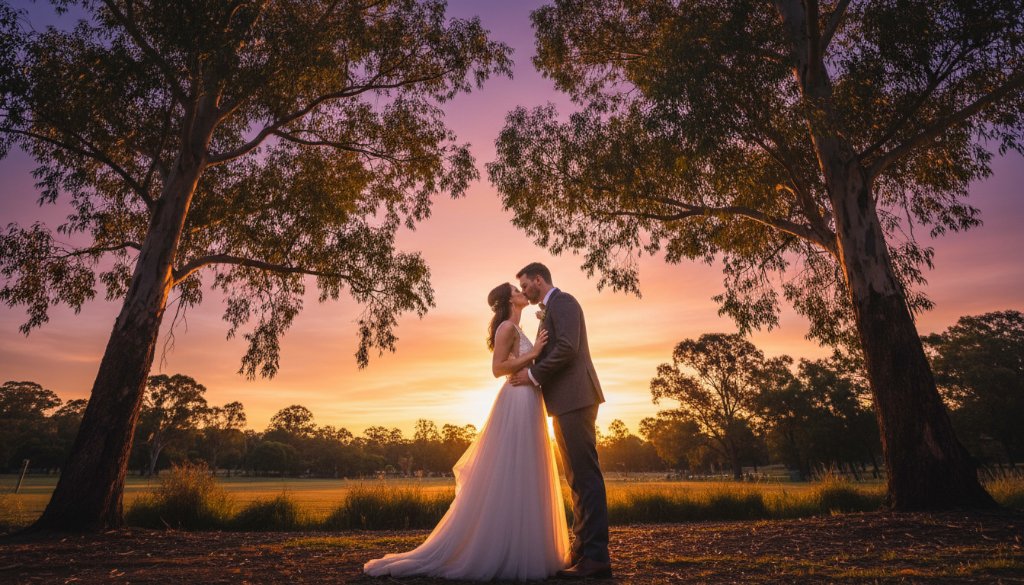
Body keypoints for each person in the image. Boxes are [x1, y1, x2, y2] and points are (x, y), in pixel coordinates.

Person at [364, 282, 570, 581]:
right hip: (516, 400)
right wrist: (534, 353)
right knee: (511, 469)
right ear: (508, 300)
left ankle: (524, 546)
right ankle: (500, 551)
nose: (522, 292)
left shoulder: (517, 328)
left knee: (526, 470)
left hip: (529, 398)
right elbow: (498, 368)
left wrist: (536, 349)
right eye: (516, 289)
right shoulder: (505, 328)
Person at [508, 262, 611, 579]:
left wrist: (533, 374)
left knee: (586, 477)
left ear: (539, 280)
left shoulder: (564, 302)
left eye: (526, 285)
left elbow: (568, 347)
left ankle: (596, 557)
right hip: (563, 403)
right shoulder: (548, 311)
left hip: (576, 399)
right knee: (576, 479)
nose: (524, 291)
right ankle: (583, 550)